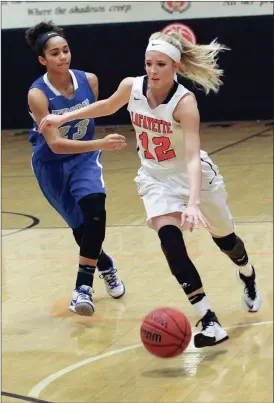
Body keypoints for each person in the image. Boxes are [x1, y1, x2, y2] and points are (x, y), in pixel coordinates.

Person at [39, 31, 262, 348]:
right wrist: (62, 117)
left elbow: (193, 158)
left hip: (193, 177)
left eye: (160, 64)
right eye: (148, 63)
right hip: (156, 178)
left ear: (175, 66)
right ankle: (208, 319)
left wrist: (194, 202)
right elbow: (105, 106)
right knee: (170, 242)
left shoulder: (185, 103)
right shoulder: (133, 87)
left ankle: (248, 274)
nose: (153, 70)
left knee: (226, 240)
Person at [26, 21, 126, 317]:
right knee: (82, 230)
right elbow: (55, 144)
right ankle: (105, 265)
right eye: (55, 53)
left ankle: (82, 288)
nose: (63, 57)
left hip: (84, 158)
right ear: (43, 60)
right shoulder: (38, 94)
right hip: (51, 165)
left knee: (96, 210)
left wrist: (95, 146)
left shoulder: (89, 81)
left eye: (65, 50)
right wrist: (101, 142)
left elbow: (93, 113)